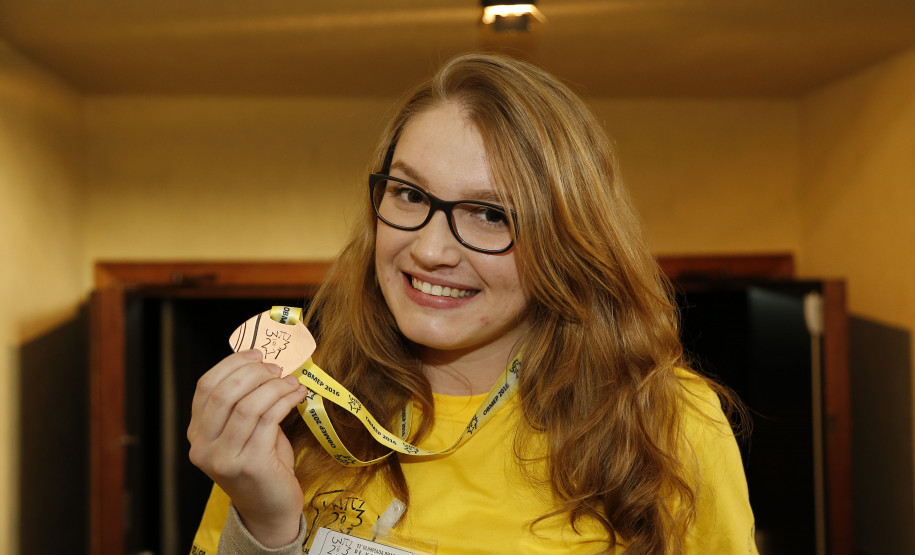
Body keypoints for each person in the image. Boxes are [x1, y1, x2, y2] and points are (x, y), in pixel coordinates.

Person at [188, 52, 757, 554]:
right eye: (409, 194)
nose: (430, 249)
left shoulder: (665, 421)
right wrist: (266, 527)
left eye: (491, 214)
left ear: (567, 236)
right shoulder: (297, 407)